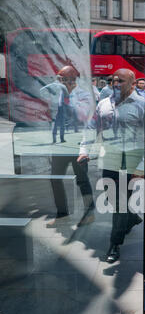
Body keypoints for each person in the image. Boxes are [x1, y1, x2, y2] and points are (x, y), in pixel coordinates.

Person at [80, 68, 145, 263]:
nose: (115, 83)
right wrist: (84, 150)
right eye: (114, 80)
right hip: (109, 158)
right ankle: (132, 218)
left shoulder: (141, 105)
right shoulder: (104, 104)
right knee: (112, 199)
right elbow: (92, 128)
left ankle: (114, 244)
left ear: (132, 84)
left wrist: (140, 167)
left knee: (119, 204)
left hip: (131, 159)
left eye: (121, 81)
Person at [48, 65, 96, 227]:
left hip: (77, 144)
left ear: (70, 81)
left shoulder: (83, 94)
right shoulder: (58, 95)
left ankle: (89, 213)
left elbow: (82, 115)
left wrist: (69, 95)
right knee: (55, 179)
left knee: (82, 180)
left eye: (61, 80)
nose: (58, 82)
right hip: (60, 144)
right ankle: (62, 214)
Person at [40, 73, 68, 143]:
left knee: (54, 122)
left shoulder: (50, 86)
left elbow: (41, 90)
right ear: (61, 79)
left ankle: (54, 139)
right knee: (62, 123)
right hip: (61, 106)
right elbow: (67, 95)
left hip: (53, 106)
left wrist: (47, 97)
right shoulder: (62, 86)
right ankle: (62, 138)